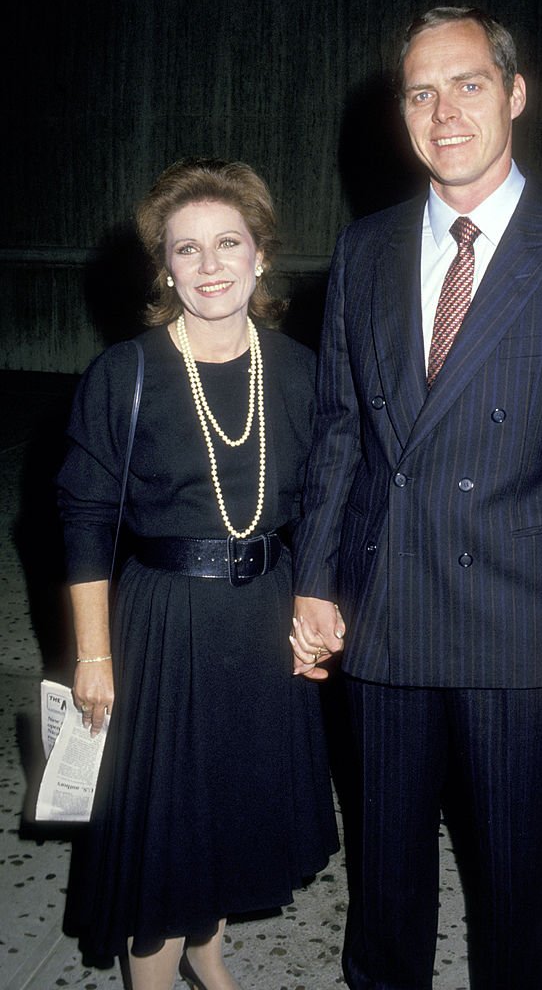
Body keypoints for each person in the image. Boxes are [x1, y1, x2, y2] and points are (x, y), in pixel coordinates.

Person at [290, 6, 542, 990]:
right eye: (420, 91)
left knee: (507, 880)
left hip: (518, 624)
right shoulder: (364, 249)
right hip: (381, 617)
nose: (443, 110)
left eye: (467, 84)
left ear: (514, 93)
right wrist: (313, 580)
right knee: (386, 882)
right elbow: (338, 433)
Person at [57, 157, 339, 990]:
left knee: (223, 815)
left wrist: (318, 616)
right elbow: (82, 521)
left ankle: (209, 963)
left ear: (260, 256)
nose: (210, 265)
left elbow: (328, 505)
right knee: (164, 841)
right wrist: (93, 655)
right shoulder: (126, 374)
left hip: (263, 619)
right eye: (186, 249)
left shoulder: (299, 371)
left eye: (228, 243)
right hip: (165, 626)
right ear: (164, 268)